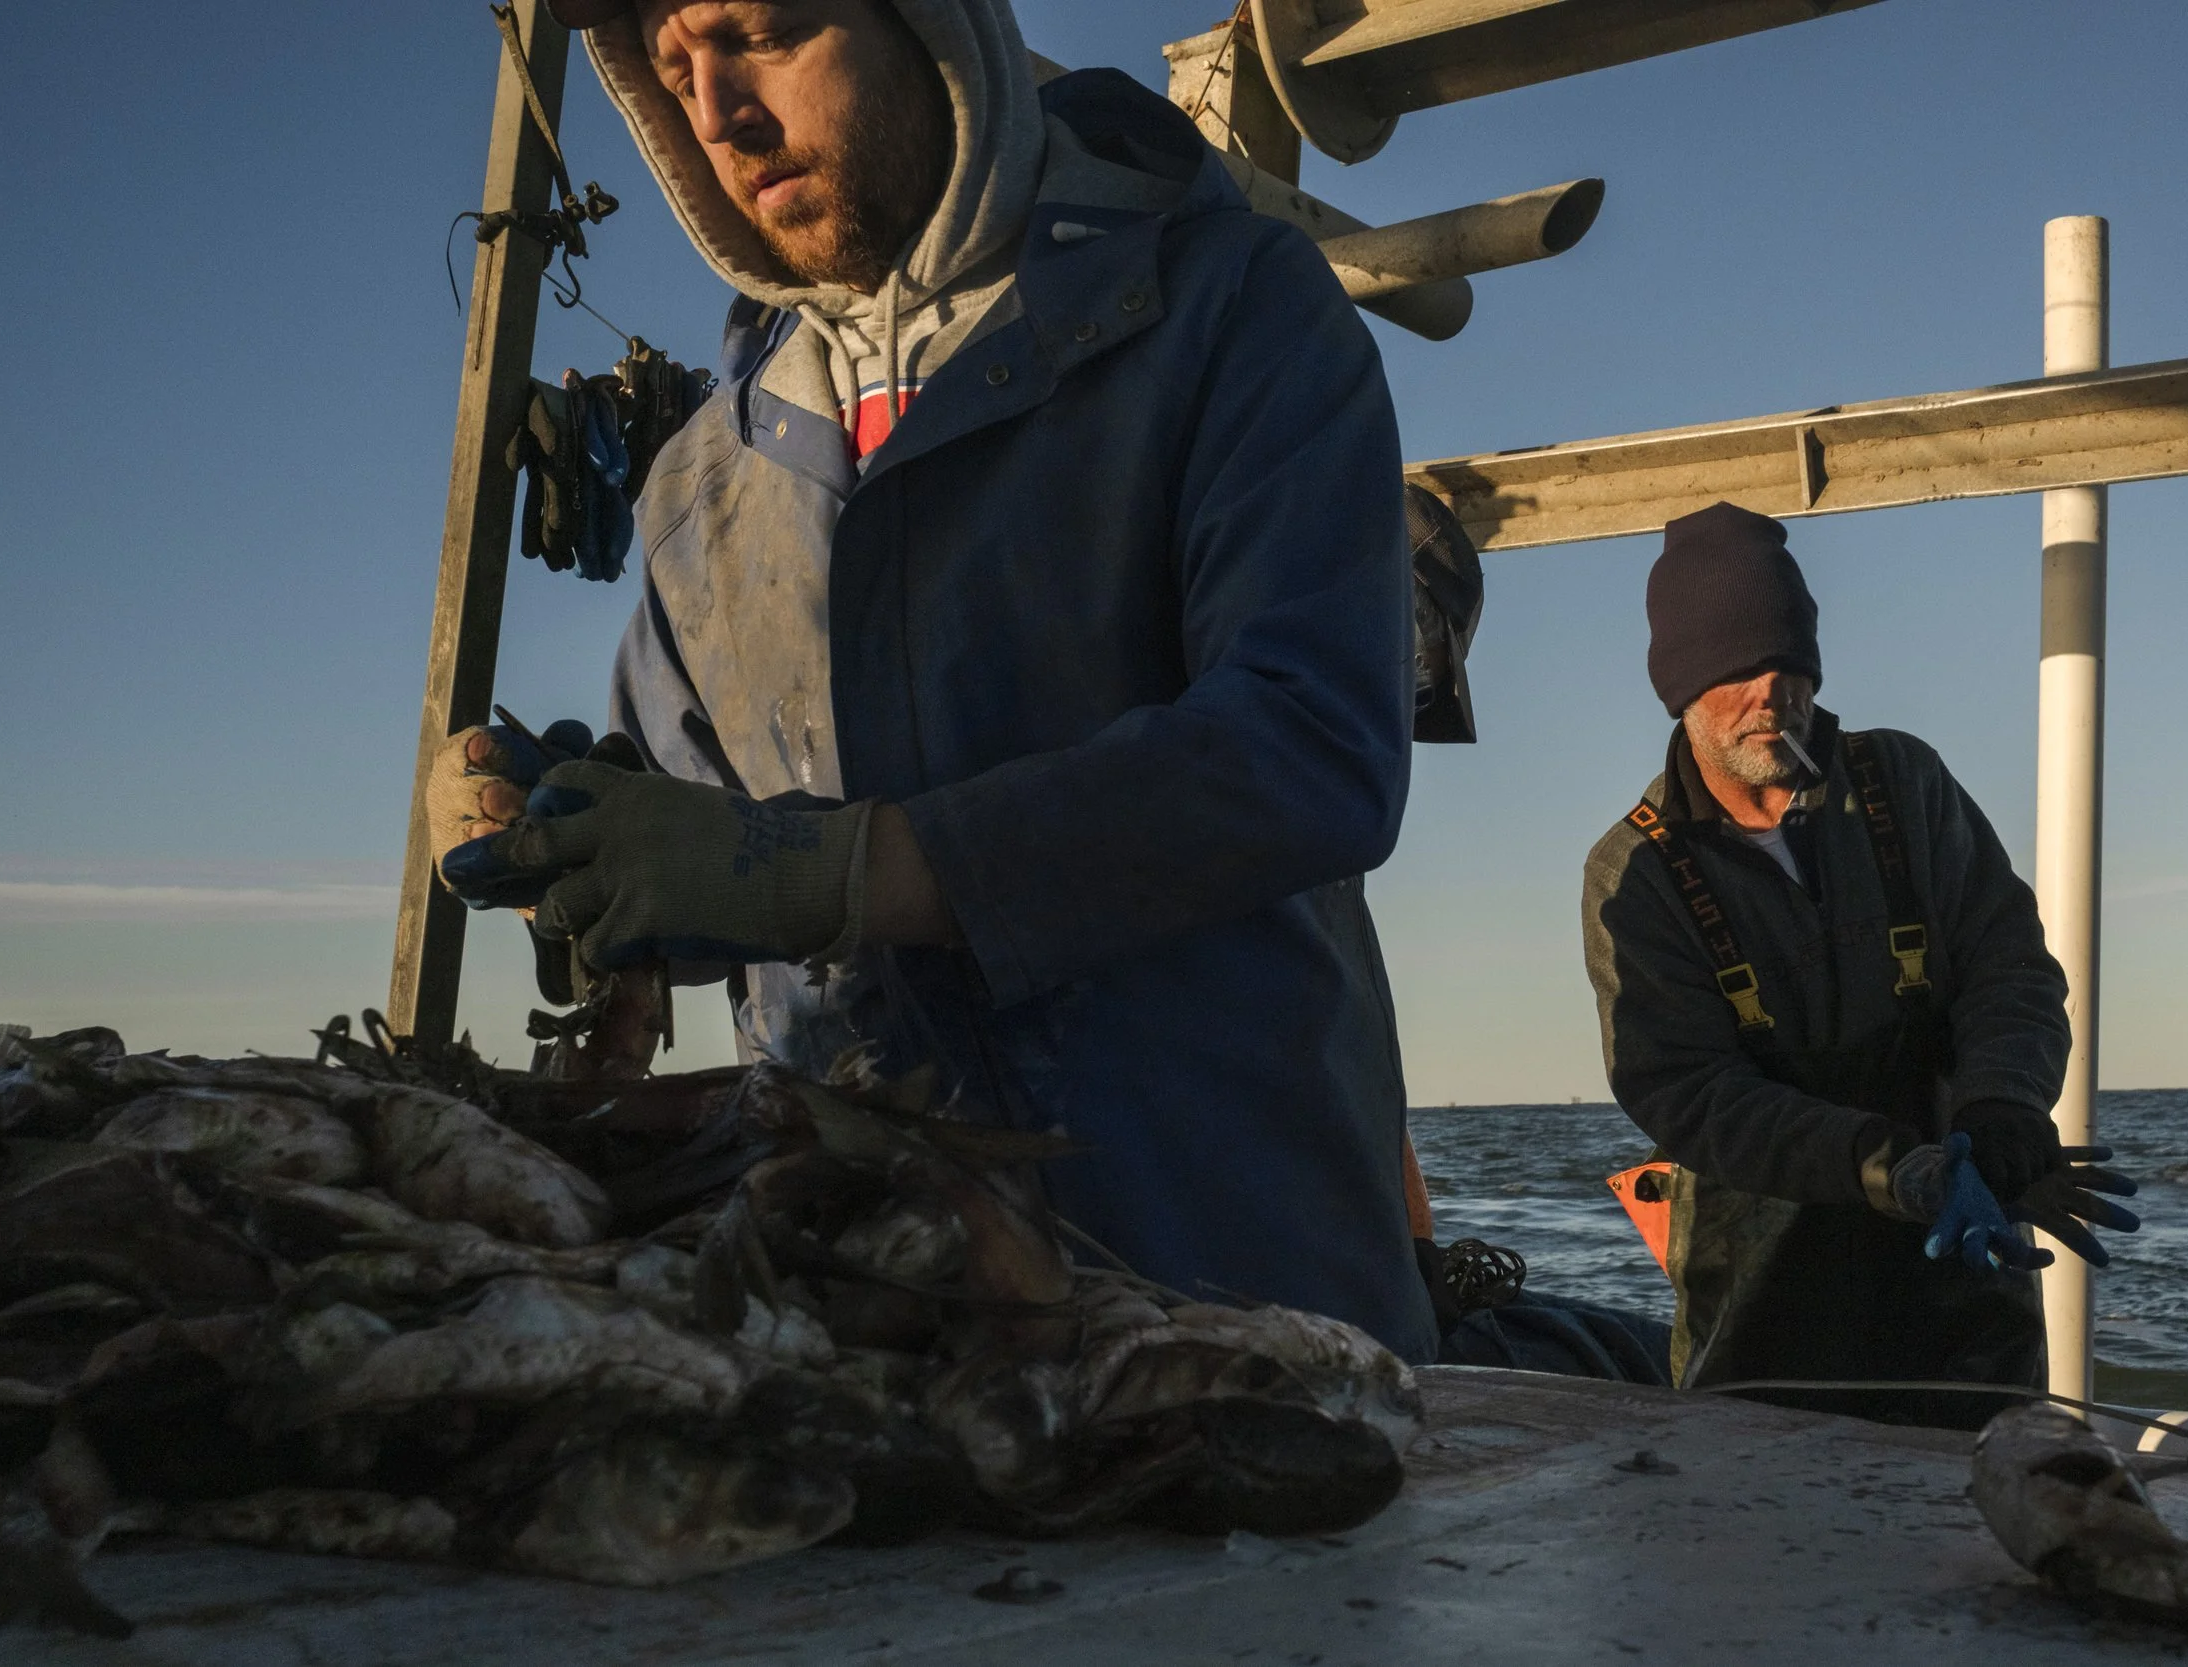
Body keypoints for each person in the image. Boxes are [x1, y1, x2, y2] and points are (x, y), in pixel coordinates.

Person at [430, 0, 1438, 1361]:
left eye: (766, 33)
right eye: (674, 70)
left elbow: (1312, 749)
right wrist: (570, 831)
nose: (718, 113)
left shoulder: (1230, 306)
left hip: (1235, 1294)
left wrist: (842, 869)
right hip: (867, 1321)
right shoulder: (702, 477)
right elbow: (701, 828)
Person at [1580, 502, 2135, 1425]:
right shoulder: (1631, 871)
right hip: (1764, 1290)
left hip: (1962, 1258)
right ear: (1679, 689)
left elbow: (2012, 966)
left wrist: (2003, 1106)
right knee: (1761, 1519)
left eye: (1791, 663)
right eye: (1737, 667)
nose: (1773, 690)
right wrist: (1892, 1168)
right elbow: (1685, 1090)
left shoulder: (1905, 783)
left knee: (1979, 1509)